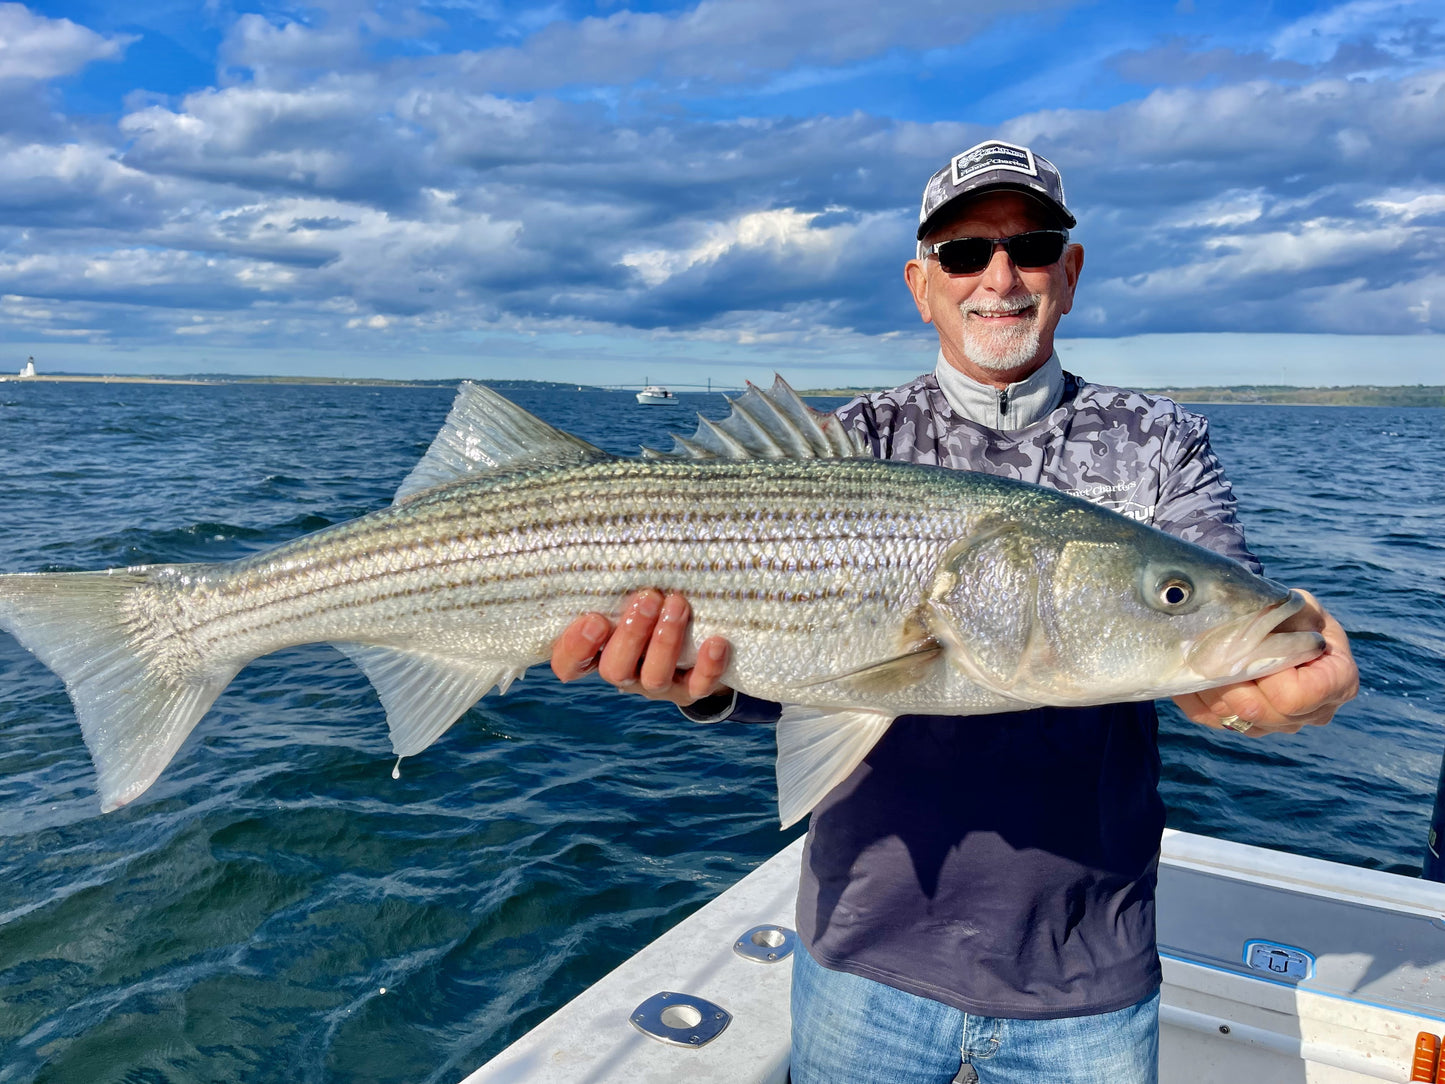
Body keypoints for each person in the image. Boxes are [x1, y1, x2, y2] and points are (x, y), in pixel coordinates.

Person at [549, 139, 1359, 1083]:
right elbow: (800, 684)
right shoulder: (852, 444)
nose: (1000, 278)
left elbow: (1219, 617)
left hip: (1086, 965)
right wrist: (703, 687)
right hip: (864, 947)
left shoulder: (1161, 443)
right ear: (919, 282)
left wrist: (1276, 685)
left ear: (1072, 271)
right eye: (964, 253)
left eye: (1034, 245)